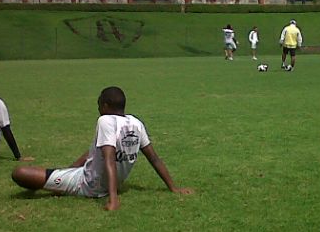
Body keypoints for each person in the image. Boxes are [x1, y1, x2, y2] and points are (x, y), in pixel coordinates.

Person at [11, 86, 193, 211]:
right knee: (92, 152)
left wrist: (113, 199)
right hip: (101, 179)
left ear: (105, 106)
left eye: (99, 103)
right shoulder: (136, 123)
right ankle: (65, 173)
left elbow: (109, 159)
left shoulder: (105, 120)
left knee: (20, 173)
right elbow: (154, 158)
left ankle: (61, 181)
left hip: (87, 184)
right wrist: (173, 187)